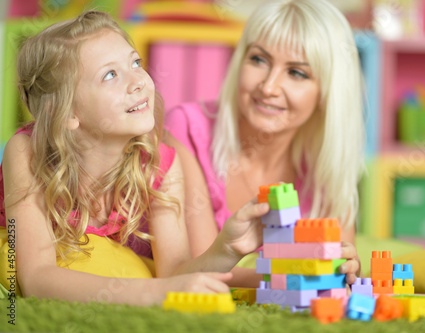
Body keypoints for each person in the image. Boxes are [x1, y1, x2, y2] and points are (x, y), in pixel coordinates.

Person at [0, 11, 269, 305]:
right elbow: (36, 278)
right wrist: (158, 294)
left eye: (135, 63)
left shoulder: (160, 163)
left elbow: (175, 272)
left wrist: (226, 250)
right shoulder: (25, 152)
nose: (139, 81)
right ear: (68, 114)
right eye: (110, 75)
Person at [164, 0, 365, 287]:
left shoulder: (326, 168)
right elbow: (200, 270)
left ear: (327, 93)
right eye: (259, 59)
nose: (268, 87)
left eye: (297, 73)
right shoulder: (185, 128)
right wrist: (298, 278)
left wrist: (343, 270)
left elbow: (341, 269)